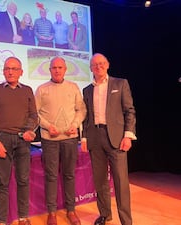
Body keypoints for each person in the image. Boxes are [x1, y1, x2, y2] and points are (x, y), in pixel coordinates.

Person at [81, 53, 137, 225]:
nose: (98, 67)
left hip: (116, 138)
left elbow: (130, 111)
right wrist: (84, 138)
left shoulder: (120, 84)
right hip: (95, 137)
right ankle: (105, 215)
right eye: (94, 65)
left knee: (120, 182)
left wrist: (128, 135)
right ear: (90, 68)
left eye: (101, 63)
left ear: (107, 65)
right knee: (100, 180)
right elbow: (86, 117)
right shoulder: (87, 90)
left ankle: (126, 220)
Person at [0, 57, 38, 225]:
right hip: (3, 140)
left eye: (14, 69)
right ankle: (1, 220)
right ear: (3, 71)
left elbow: (33, 116)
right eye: (7, 68)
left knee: (23, 180)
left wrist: (29, 130)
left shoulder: (28, 90)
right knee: (3, 183)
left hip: (23, 140)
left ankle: (23, 217)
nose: (10, 71)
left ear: (21, 72)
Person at [35, 57, 87, 225]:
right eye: (54, 67)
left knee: (69, 175)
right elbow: (34, 114)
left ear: (65, 69)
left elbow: (81, 109)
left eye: (60, 67)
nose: (57, 70)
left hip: (70, 139)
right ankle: (52, 212)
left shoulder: (73, 87)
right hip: (49, 140)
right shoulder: (42, 89)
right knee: (51, 176)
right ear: (49, 70)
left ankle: (71, 210)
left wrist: (75, 124)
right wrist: (47, 126)